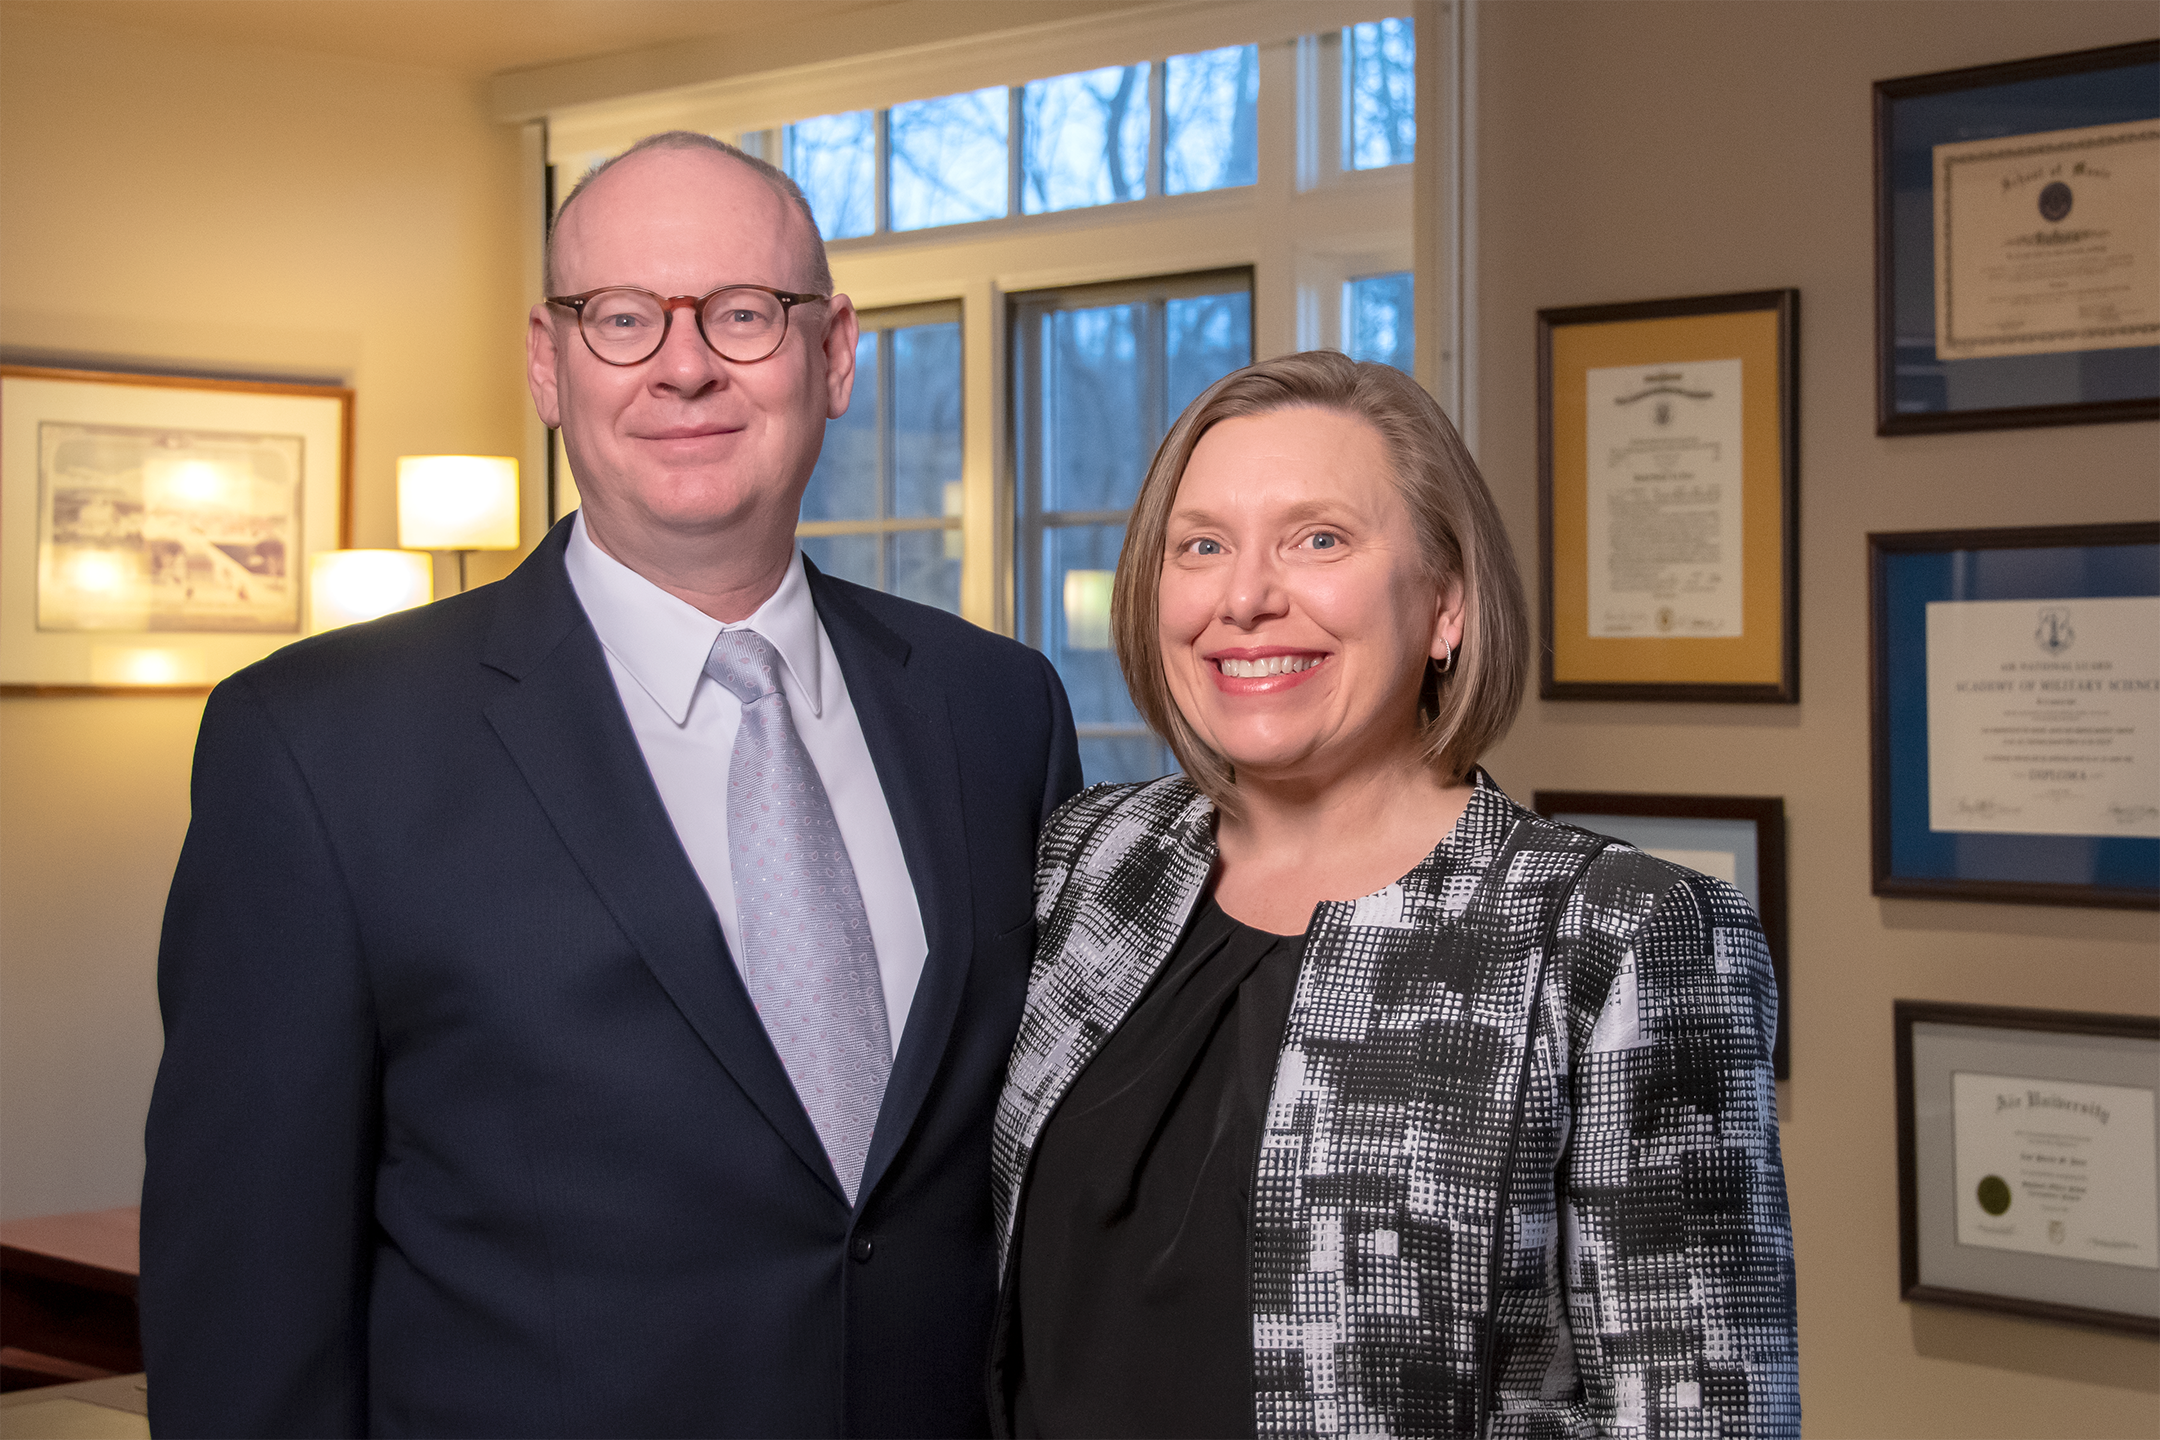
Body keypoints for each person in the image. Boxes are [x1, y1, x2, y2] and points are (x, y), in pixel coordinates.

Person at [141, 131, 1081, 1440]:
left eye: (744, 314)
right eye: (623, 317)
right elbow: (245, 1312)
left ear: (836, 353)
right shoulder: (317, 747)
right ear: (548, 360)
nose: (685, 366)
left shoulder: (996, 708)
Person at [991, 352, 1796, 1439]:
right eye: (1202, 546)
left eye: (1319, 539)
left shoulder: (1619, 935)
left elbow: (1702, 1412)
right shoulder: (1090, 861)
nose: (1246, 597)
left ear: (1447, 606)